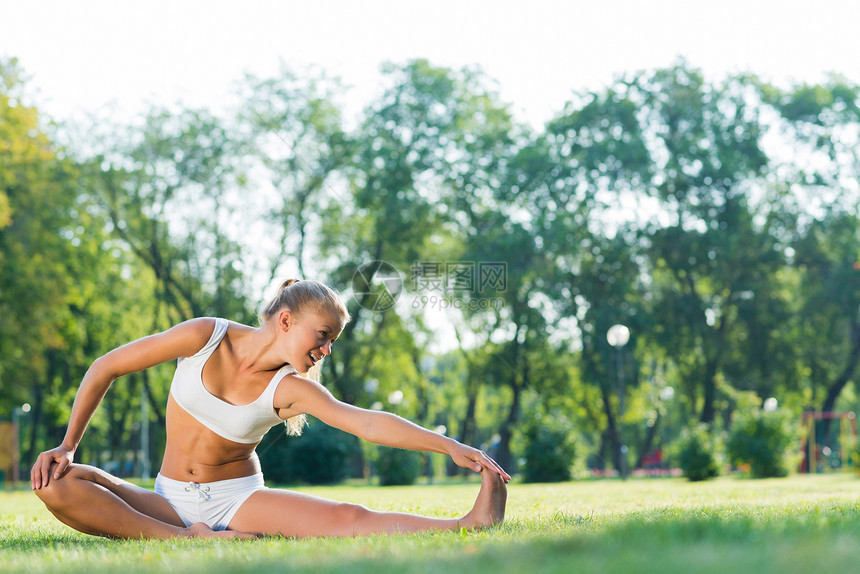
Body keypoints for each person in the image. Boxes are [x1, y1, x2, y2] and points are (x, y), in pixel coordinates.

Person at [31, 279, 509, 539]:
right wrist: (68, 445)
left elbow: (363, 421)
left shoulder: (290, 388)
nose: (325, 351)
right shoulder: (205, 336)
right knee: (57, 484)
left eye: (332, 343)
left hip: (238, 501)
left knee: (348, 518)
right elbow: (106, 366)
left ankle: (470, 523)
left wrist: (450, 446)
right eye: (322, 337)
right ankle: (188, 539)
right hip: (168, 498)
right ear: (286, 320)